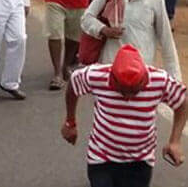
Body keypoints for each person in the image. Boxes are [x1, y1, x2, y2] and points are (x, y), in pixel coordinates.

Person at [62, 44, 186, 187]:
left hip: (140, 161)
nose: (128, 96)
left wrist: (175, 141)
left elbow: (182, 102)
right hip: (101, 158)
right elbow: (73, 84)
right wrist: (70, 122)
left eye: (134, 91)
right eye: (122, 90)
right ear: (112, 78)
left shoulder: (159, 81)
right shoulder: (96, 76)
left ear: (144, 79)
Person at [81, 0, 181, 79]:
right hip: (110, 67)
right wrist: (104, 30)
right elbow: (86, 19)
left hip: (140, 69)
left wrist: (175, 79)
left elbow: (166, 39)